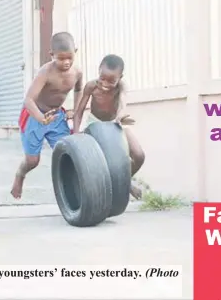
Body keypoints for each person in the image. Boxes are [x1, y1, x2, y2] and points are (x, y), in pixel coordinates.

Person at [11, 32, 83, 199]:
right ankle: (20, 175)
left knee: (69, 153)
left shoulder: (77, 72)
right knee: (32, 161)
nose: (66, 62)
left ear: (76, 52)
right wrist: (40, 118)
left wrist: (75, 109)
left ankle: (73, 191)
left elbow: (79, 89)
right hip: (34, 116)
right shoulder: (45, 72)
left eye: (69, 58)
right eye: (60, 58)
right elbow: (29, 100)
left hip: (57, 117)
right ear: (51, 55)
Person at [72, 54, 146, 199]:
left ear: (120, 78)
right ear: (99, 71)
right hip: (95, 123)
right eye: (102, 78)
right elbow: (79, 112)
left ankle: (124, 182)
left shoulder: (121, 87)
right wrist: (76, 134)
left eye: (111, 81)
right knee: (102, 160)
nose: (105, 84)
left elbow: (123, 103)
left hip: (115, 123)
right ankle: (110, 188)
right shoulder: (91, 86)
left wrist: (121, 116)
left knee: (139, 155)